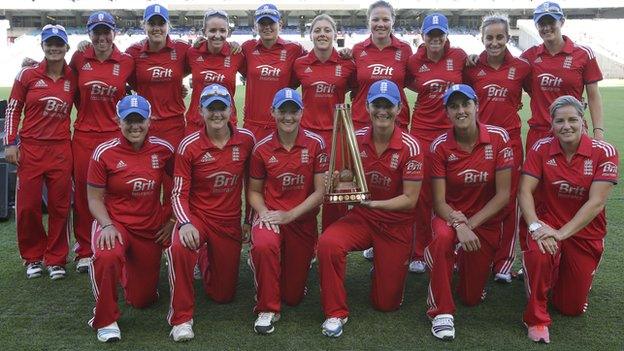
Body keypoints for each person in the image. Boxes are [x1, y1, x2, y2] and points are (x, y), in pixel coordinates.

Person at [317, 80, 423, 338]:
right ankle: (335, 312)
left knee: (386, 304)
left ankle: (386, 264)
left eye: (388, 105)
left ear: (399, 108)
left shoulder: (411, 146)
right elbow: (346, 179)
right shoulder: (355, 140)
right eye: (377, 105)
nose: (382, 111)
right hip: (363, 219)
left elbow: (410, 200)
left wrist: (373, 202)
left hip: (395, 225)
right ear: (367, 107)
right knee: (328, 243)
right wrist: (339, 182)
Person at [518, 95, 618, 344]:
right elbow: (524, 191)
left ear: (582, 122)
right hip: (546, 224)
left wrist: (561, 234)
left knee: (570, 307)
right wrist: (535, 227)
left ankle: (566, 276)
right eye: (560, 121)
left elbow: (596, 202)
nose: (566, 126)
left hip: (583, 233)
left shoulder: (604, 152)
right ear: (551, 125)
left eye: (573, 120)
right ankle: (537, 319)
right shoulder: (541, 148)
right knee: (540, 253)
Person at [166, 84, 255, 342]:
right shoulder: (188, 145)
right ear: (201, 111)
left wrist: (248, 221)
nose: (217, 114)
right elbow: (178, 192)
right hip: (198, 218)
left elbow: (254, 185)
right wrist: (184, 224)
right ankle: (181, 318)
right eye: (211, 108)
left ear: (231, 109)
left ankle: (204, 257)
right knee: (179, 247)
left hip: (227, 222)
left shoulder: (247, 140)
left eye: (222, 107)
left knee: (223, 295)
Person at [426, 84, 513, 340]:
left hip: (484, 220)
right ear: (447, 113)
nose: (460, 110)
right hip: (450, 217)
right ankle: (440, 311)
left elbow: (503, 195)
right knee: (442, 239)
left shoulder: (499, 137)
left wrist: (470, 225)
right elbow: (439, 202)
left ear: (477, 106)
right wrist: (459, 225)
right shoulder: (439, 146)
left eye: (466, 104)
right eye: (453, 106)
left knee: (471, 298)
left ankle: (462, 266)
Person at [86, 95, 175, 342]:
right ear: (118, 121)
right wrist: (106, 225)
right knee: (107, 253)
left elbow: (181, 185)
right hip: (116, 225)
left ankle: (128, 274)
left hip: (149, 230)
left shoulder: (164, 150)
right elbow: (94, 199)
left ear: (150, 121)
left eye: (140, 120)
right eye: (129, 120)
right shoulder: (104, 152)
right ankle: (105, 318)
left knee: (142, 300)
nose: (135, 126)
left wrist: (171, 221)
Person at [247, 88, 327, 334]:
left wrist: (290, 215)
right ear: (273, 112)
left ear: (302, 112)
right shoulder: (262, 148)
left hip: (300, 221)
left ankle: (290, 272)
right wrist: (264, 213)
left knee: (293, 296)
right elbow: (253, 192)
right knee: (263, 245)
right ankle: (267, 309)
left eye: (294, 111)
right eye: (283, 111)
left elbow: (320, 192)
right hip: (270, 215)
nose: (288, 117)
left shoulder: (316, 143)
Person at [463, 14, 531, 283]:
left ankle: (503, 261)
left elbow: (541, 95)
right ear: (481, 38)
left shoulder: (522, 67)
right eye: (489, 38)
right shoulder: (470, 67)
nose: (494, 42)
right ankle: (466, 251)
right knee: (474, 195)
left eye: (499, 37)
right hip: (475, 143)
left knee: (507, 201)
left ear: (508, 37)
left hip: (510, 144)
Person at [4, 24, 76, 280]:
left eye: (59, 43)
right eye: (50, 43)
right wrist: (10, 142)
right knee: (27, 207)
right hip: (31, 148)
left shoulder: (73, 77)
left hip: (60, 149)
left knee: (60, 207)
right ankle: (32, 257)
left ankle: (56, 259)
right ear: (43, 46)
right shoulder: (27, 75)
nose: (54, 48)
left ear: (66, 47)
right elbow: (13, 109)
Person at [401, 12, 468, 273]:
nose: (435, 39)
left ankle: (452, 244)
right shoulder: (413, 61)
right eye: (431, 35)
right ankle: (419, 251)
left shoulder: (460, 56)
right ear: (423, 36)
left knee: (453, 190)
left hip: (455, 134)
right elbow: (406, 81)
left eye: (440, 34)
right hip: (423, 133)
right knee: (423, 194)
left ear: (446, 35)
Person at [70, 11, 134, 272]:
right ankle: (85, 249)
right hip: (84, 137)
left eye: (106, 31)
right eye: (96, 32)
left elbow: (144, 88)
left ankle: (119, 240)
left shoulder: (127, 61)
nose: (101, 37)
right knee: (85, 194)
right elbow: (68, 86)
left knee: (117, 192)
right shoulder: (79, 57)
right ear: (89, 34)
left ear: (114, 33)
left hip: (115, 137)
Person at [292, 14, 356, 229]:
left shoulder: (347, 64)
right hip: (307, 136)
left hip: (336, 137)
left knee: (335, 195)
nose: (322, 34)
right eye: (317, 30)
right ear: (310, 35)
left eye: (327, 30)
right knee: (307, 192)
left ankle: (331, 243)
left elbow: (358, 89)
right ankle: (307, 246)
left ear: (335, 34)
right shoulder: (300, 64)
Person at [521, 1, 604, 149]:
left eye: (551, 21)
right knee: (534, 173)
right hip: (539, 133)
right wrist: (476, 58)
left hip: (572, 131)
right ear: (536, 26)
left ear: (562, 22)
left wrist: (598, 132)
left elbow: (593, 96)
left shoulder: (584, 54)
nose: (546, 27)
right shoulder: (529, 56)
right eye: (541, 23)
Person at [125, 3, 190, 148]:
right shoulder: (133, 52)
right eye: (151, 23)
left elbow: (202, 60)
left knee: (174, 169)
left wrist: (175, 82)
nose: (156, 28)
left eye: (161, 23)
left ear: (168, 25)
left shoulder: (182, 48)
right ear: (144, 26)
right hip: (144, 124)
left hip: (175, 126)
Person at [240, 3, 306, 140]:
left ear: (280, 24)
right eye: (262, 23)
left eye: (271, 22)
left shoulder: (294, 49)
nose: (267, 27)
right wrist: (201, 42)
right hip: (253, 125)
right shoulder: (247, 48)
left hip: (283, 124)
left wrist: (346, 55)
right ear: (255, 26)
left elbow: (316, 62)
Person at [348, 0, 412, 130]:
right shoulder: (357, 50)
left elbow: (408, 80)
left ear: (392, 21)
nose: (380, 24)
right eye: (375, 20)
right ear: (369, 21)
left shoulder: (405, 49)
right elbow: (353, 84)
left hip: (396, 120)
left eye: (385, 20)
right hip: (362, 120)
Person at [186, 9, 245, 131]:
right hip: (197, 123)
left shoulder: (236, 54)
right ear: (204, 31)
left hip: (226, 123)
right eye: (212, 30)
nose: (217, 35)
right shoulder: (192, 53)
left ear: (228, 32)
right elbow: (174, 73)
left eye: (222, 30)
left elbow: (255, 76)